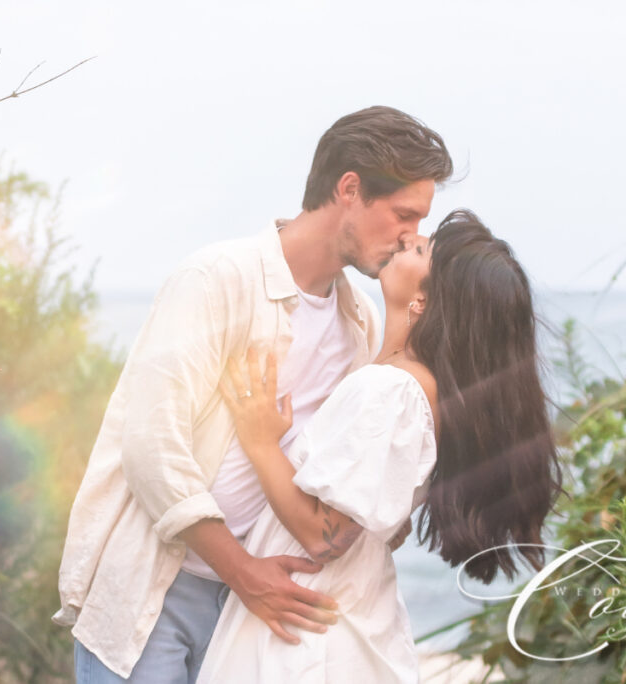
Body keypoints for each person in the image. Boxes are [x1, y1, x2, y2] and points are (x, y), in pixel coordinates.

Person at [54, 106, 453, 681]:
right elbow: (150, 444)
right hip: (159, 591)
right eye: (403, 214)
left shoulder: (362, 323)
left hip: (262, 613)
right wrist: (242, 570)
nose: (411, 236)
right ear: (349, 189)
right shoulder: (216, 278)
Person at [198, 210, 566, 683]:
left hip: (310, 634)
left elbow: (322, 535)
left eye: (419, 249)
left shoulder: (393, 391)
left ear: (425, 300)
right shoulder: (404, 380)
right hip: (333, 613)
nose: (408, 237)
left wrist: (260, 440)